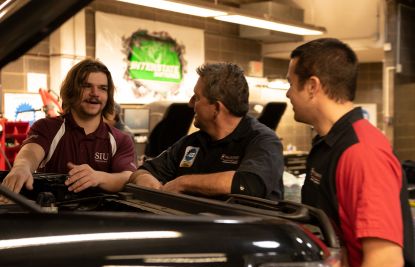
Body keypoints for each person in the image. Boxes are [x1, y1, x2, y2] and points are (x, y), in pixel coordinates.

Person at [286, 38, 414, 267]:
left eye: (291, 84)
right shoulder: (327, 145)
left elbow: (385, 261)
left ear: (313, 86)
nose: (288, 93)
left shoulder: (362, 152)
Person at [129, 62, 284, 200]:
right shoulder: (191, 143)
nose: (190, 104)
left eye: (196, 98)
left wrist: (183, 183)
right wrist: (147, 182)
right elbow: (142, 171)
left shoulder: (263, 141)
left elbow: (249, 184)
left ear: (216, 108)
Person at [0, 58, 137, 200]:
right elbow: (31, 153)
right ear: (72, 91)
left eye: (102, 88)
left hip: (102, 220)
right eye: (86, 86)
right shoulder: (47, 127)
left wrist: (98, 177)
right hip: (52, 218)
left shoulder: (121, 140)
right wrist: (22, 166)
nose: (95, 93)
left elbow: (127, 176)